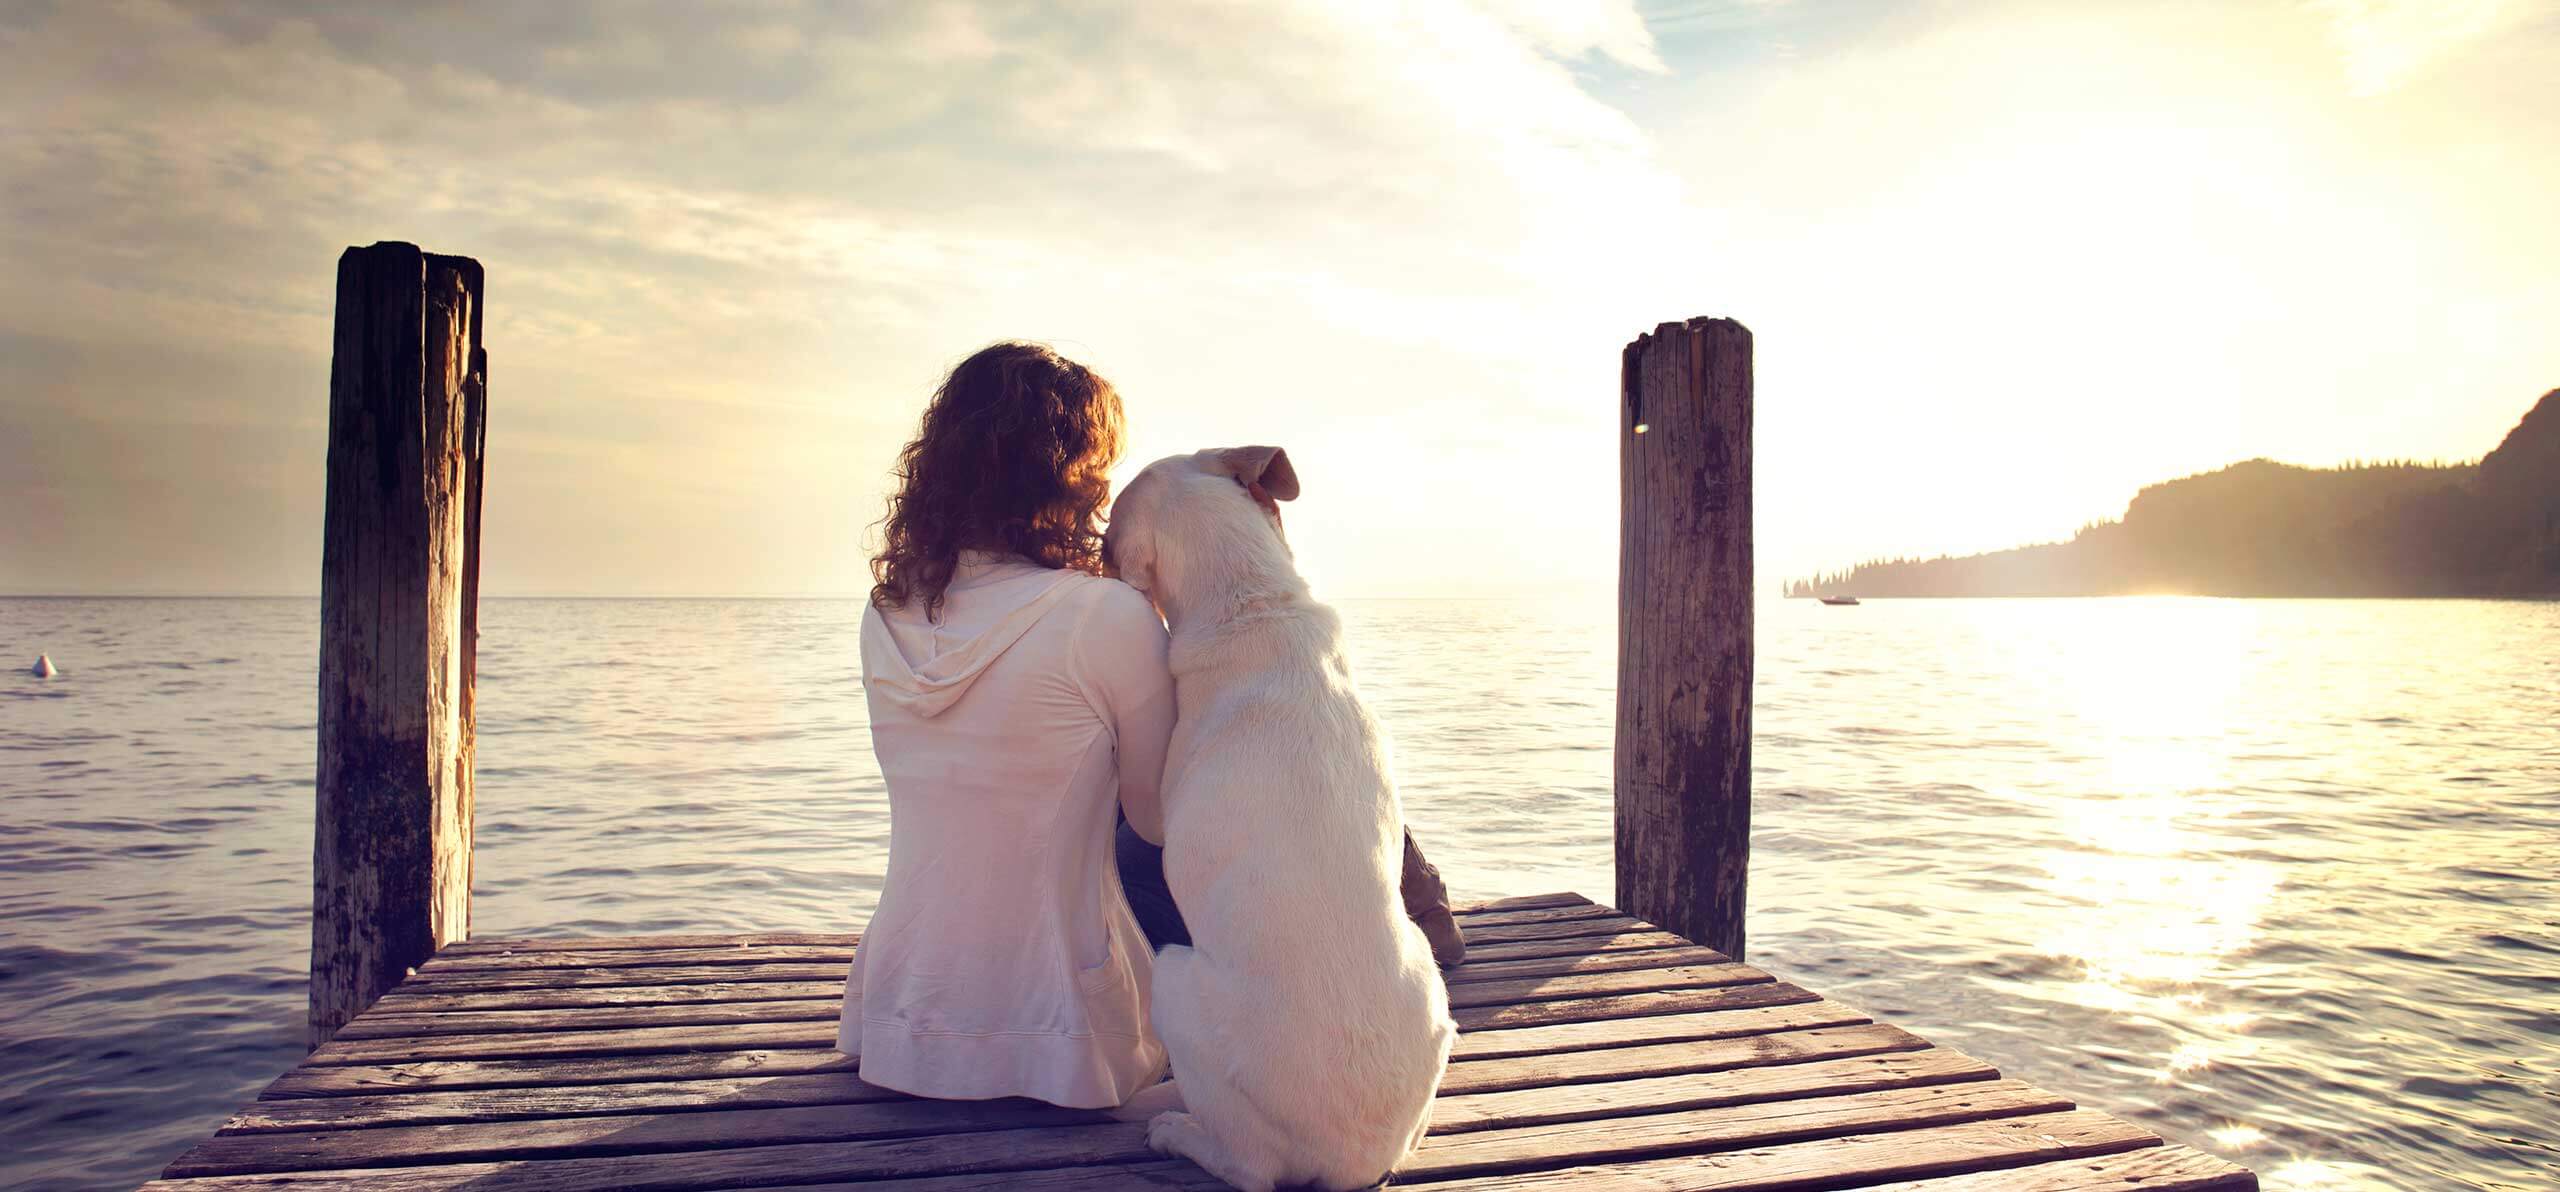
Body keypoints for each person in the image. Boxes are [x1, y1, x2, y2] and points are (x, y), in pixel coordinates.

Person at [838, 342, 1172, 1110]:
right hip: (1064, 1034)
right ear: (1071, 474)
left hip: (897, 1019)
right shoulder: (1107, 614)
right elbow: (1156, 823)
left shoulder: (885, 608)